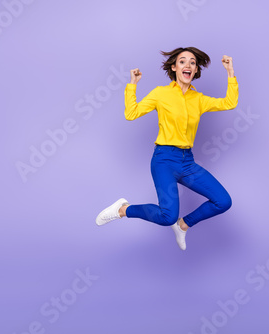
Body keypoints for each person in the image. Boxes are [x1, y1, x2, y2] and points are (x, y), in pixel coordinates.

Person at [95, 47, 238, 250]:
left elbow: (230, 102)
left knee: (223, 201)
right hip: (164, 160)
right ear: (174, 67)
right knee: (166, 216)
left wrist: (229, 72)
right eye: (182, 61)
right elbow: (131, 113)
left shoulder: (199, 100)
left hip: (187, 162)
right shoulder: (161, 93)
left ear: (196, 70)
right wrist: (132, 85)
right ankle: (123, 209)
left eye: (192, 62)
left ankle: (183, 225)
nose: (187, 65)